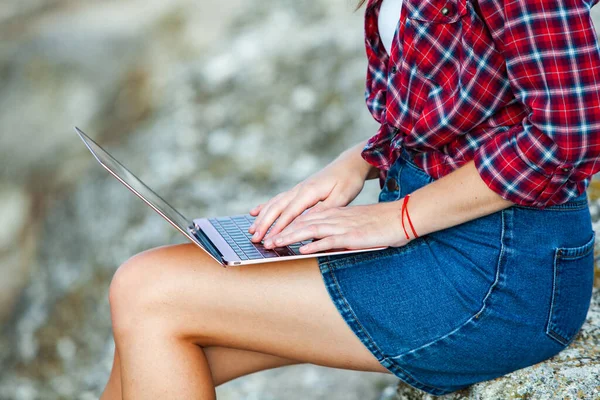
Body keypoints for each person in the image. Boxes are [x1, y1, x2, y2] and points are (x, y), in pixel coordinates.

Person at [100, 0, 600, 397]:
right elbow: (469, 100)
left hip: (499, 274)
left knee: (147, 289)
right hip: (446, 235)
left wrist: (400, 217)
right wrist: (359, 158)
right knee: (147, 347)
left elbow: (572, 134)